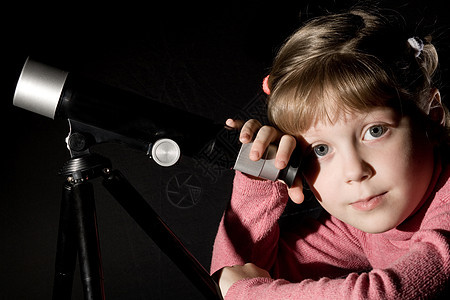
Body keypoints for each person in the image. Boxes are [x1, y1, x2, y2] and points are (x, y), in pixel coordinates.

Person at [210, 5, 450, 299]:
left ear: (432, 114)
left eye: (375, 131)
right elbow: (248, 272)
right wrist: (260, 173)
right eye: (320, 149)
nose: (354, 171)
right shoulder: (361, 228)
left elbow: (385, 295)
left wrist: (244, 293)